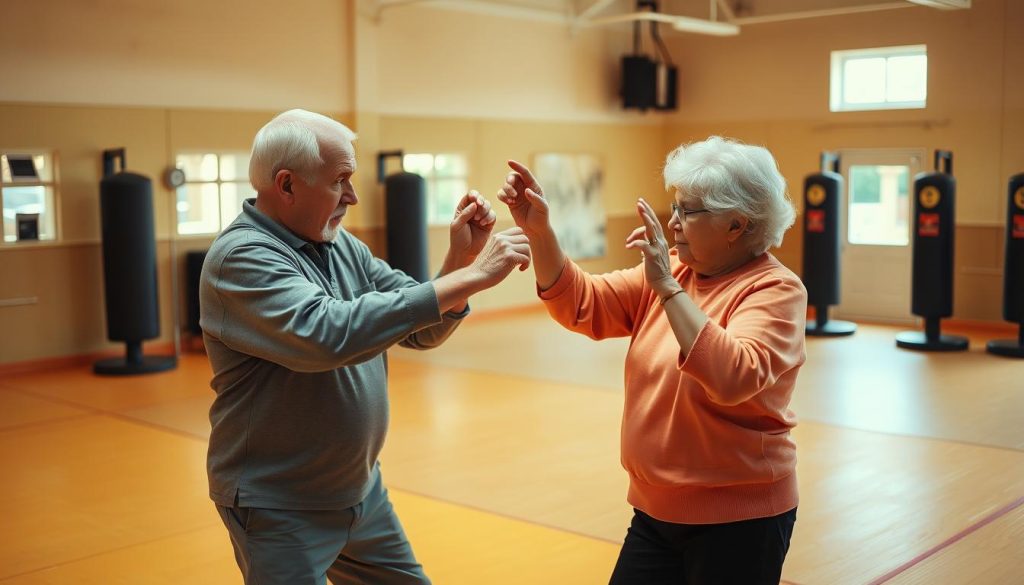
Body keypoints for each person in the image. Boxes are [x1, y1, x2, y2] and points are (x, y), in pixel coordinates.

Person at [200, 109, 531, 585]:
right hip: (281, 504)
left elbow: (420, 329)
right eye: (340, 181)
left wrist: (461, 262)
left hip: (359, 491)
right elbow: (326, 335)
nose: (353, 196)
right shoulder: (242, 257)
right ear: (287, 185)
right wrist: (474, 277)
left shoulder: (340, 246)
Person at [497, 136, 806, 584]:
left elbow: (734, 375)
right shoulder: (674, 275)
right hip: (655, 510)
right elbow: (582, 304)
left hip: (741, 519)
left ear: (737, 225)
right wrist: (540, 233)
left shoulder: (774, 290)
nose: (673, 223)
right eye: (675, 207)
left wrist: (667, 287)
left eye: (689, 211)